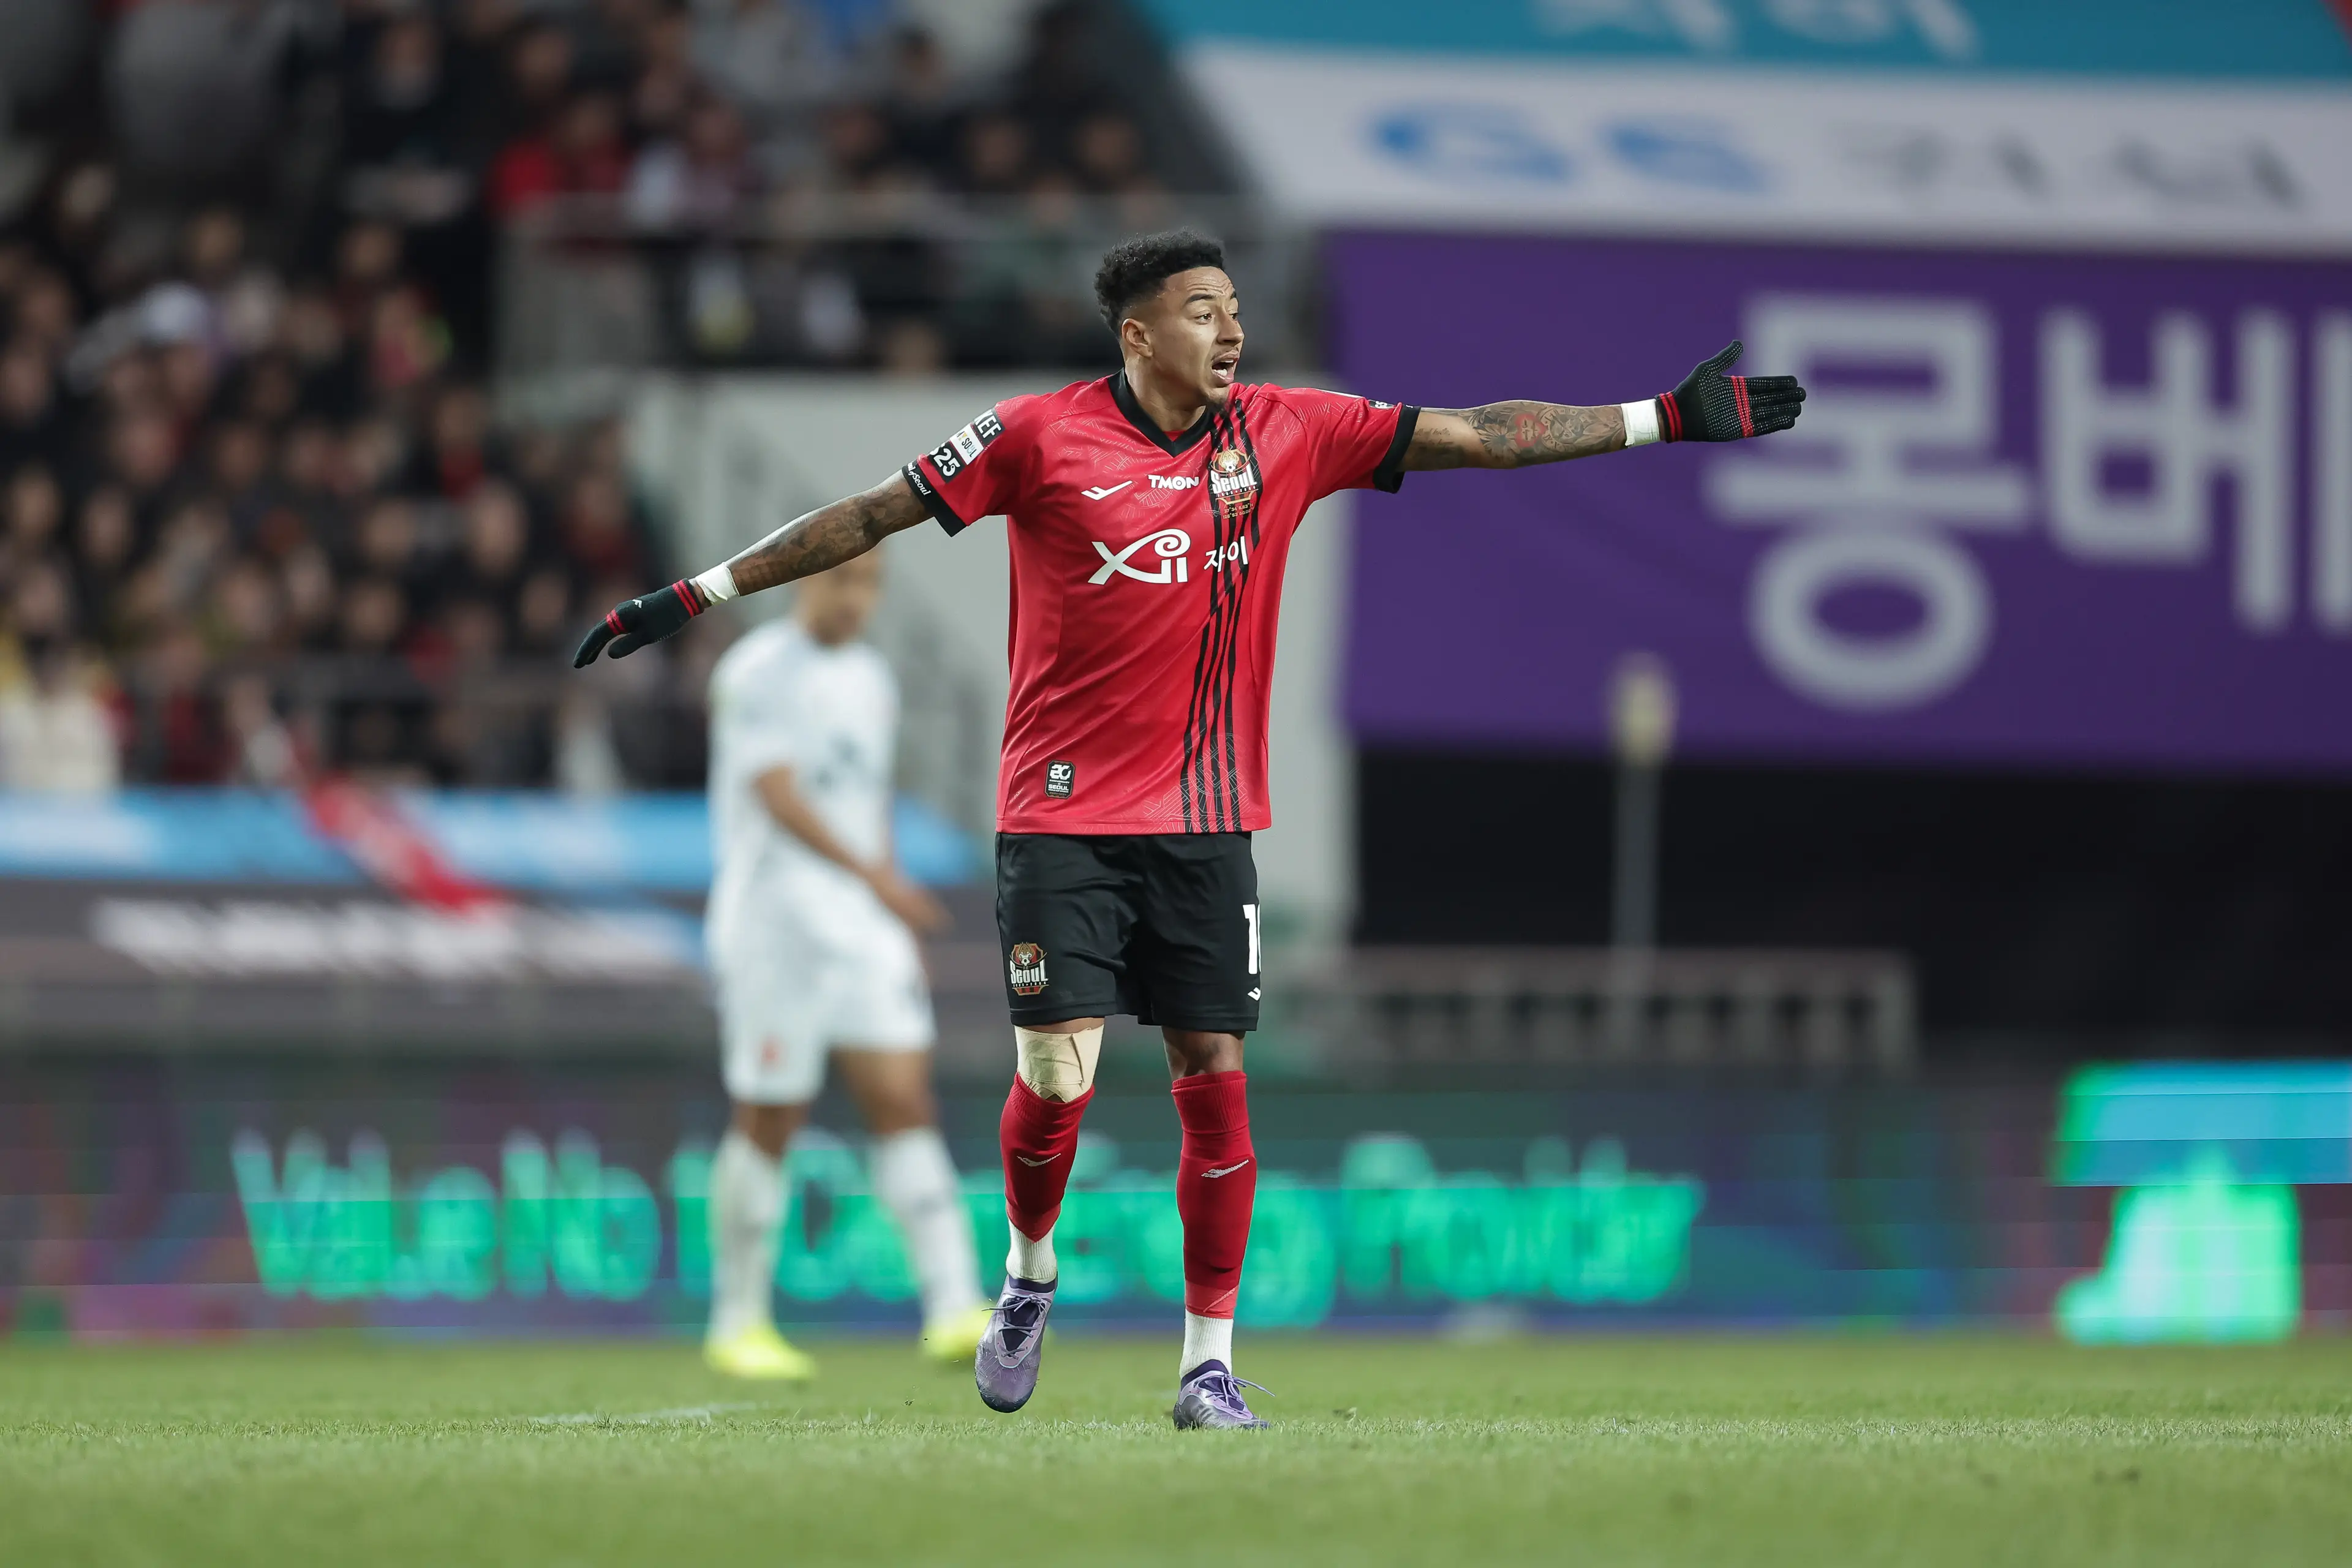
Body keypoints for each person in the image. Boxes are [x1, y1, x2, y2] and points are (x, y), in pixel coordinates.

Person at [575, 229, 1807, 1425]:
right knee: (1056, 1079)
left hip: (1211, 824)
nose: (1232, 328)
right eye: (1204, 310)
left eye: (1235, 308)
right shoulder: (1034, 436)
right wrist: (696, 591)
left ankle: (1206, 1366)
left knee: (1213, 1078)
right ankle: (1029, 1269)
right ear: (1139, 331)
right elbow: (870, 513)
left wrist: (1663, 416)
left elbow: (1483, 434)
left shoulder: (1293, 428)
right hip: (1057, 815)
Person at [698, 551, 990, 1379]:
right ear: (805, 579)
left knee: (903, 1098)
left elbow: (869, 806)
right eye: (842, 581)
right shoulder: (755, 671)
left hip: (863, 928)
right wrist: (883, 884)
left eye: (870, 585)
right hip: (775, 924)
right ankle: (738, 1320)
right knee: (771, 1116)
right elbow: (777, 794)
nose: (856, 599)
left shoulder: (872, 677)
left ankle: (953, 1306)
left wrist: (889, 914)